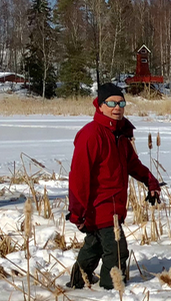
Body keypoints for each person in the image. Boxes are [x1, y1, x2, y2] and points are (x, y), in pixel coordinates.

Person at [66, 83, 161, 290]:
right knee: (117, 251)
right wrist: (77, 212)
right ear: (100, 106)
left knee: (95, 245)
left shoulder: (120, 135)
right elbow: (78, 177)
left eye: (121, 103)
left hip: (115, 205)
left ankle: (77, 281)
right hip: (99, 206)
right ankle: (110, 291)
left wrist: (151, 182)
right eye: (111, 103)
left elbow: (133, 164)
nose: (117, 107)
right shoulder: (91, 135)